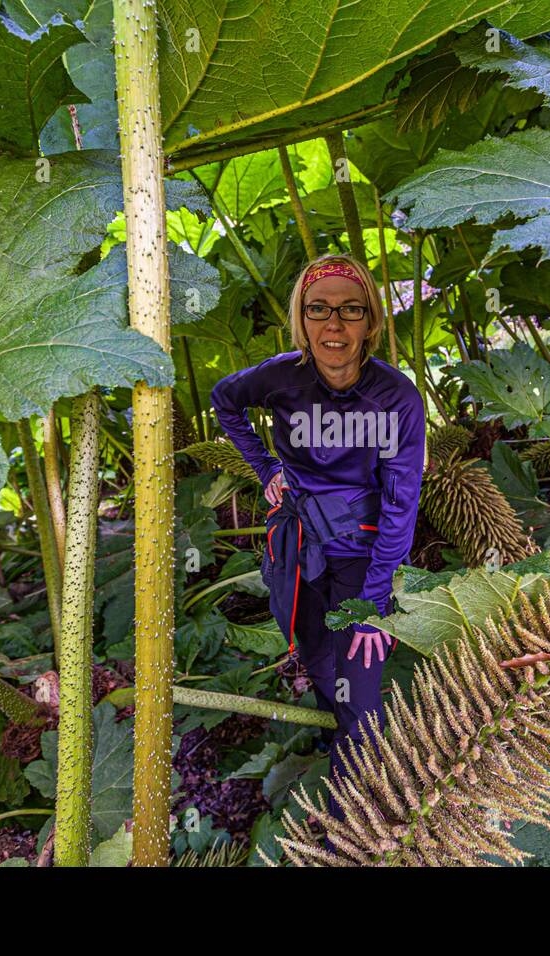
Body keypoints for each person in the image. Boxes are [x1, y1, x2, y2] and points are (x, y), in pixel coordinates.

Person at [210, 254, 425, 813]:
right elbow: (225, 400)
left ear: (371, 321)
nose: (334, 324)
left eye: (351, 310)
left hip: (362, 552)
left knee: (362, 688)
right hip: (299, 545)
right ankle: (347, 746)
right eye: (319, 309)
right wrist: (267, 469)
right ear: (301, 319)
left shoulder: (395, 397)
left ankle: (353, 822)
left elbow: (403, 504)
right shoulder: (282, 377)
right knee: (320, 660)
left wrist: (376, 599)